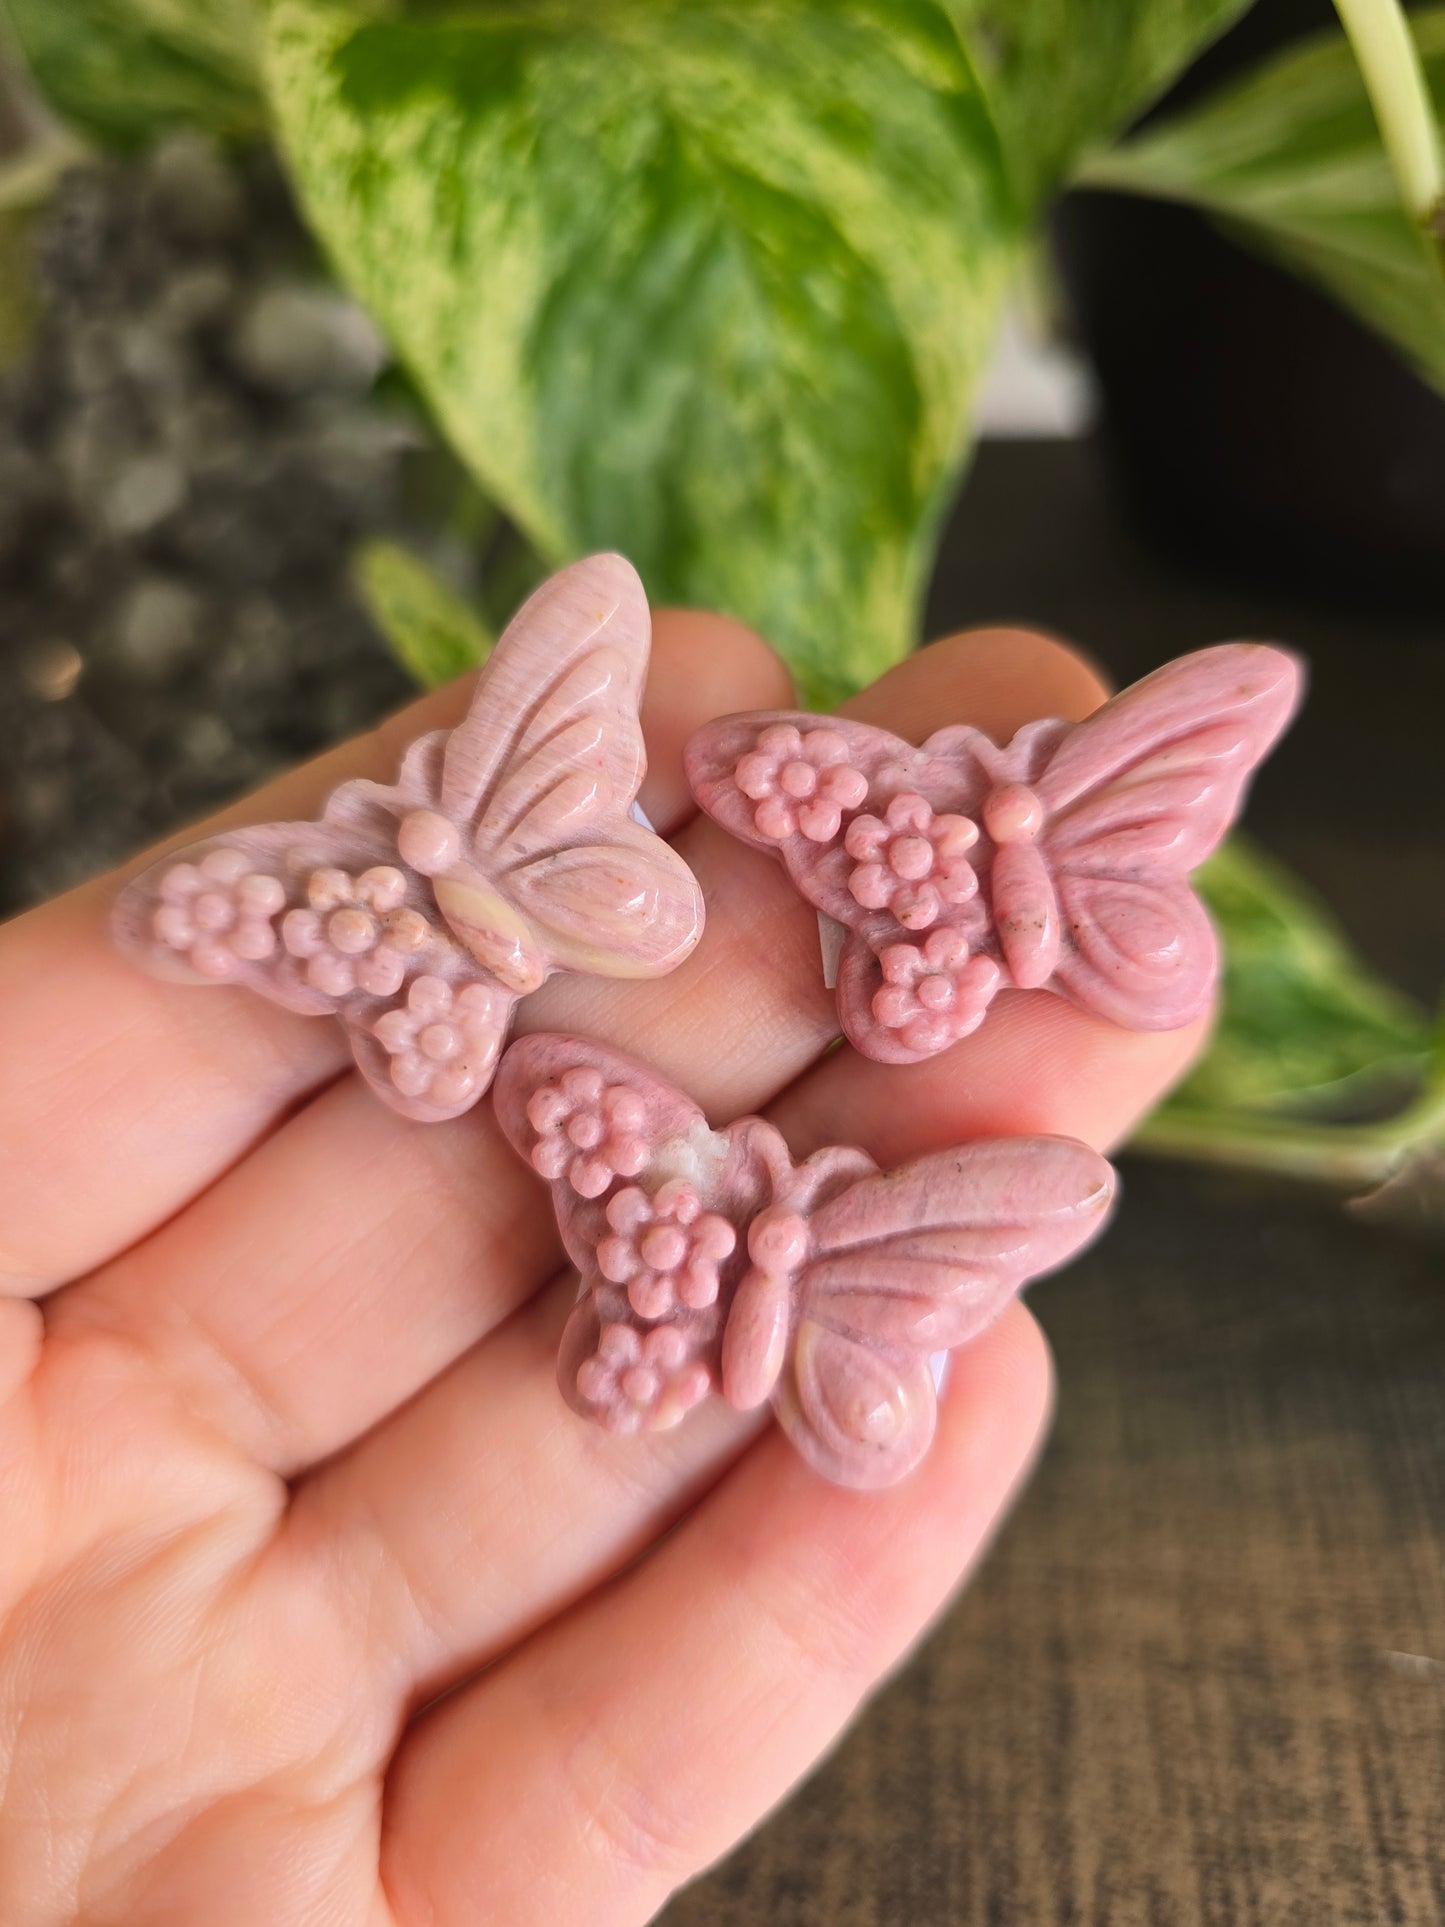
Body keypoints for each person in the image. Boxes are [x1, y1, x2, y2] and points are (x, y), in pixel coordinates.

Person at [0, 611, 1202, 1924]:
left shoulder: (677, 1124)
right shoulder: (637, 1109)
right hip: (557, 1032)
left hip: (633, 1087)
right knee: (564, 1083)